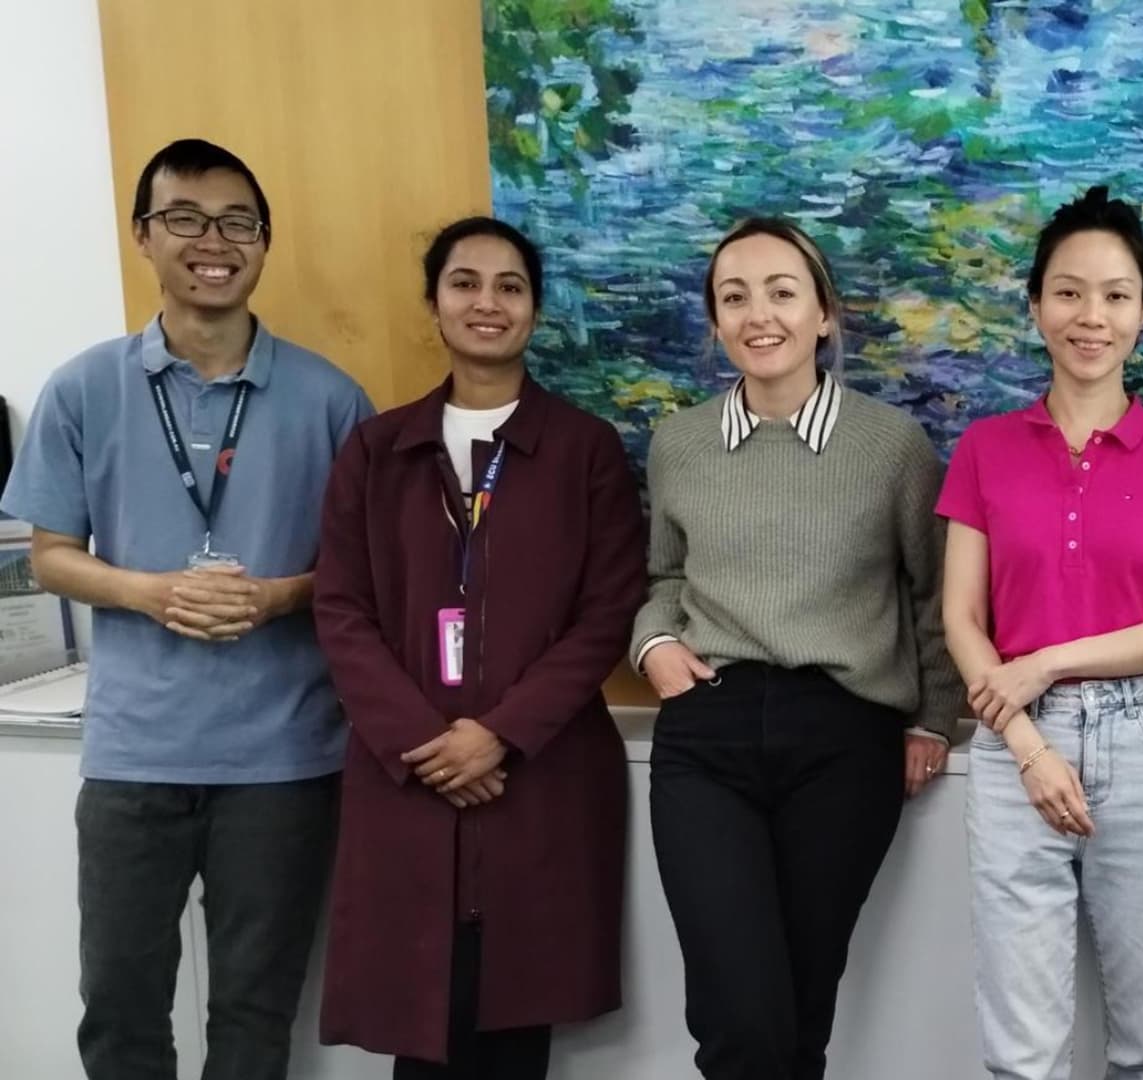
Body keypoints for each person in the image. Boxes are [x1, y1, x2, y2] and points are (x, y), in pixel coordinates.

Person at [0, 137, 373, 1079]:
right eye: (186, 220)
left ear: (263, 242)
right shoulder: (84, 388)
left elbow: (366, 575)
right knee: (120, 1010)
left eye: (238, 222)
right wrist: (154, 593)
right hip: (133, 753)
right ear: (144, 236)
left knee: (255, 1014)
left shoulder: (331, 398)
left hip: (283, 759)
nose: (215, 242)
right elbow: (49, 559)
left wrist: (276, 597)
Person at [629, 216, 963, 1079]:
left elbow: (933, 595)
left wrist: (932, 718)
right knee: (739, 1020)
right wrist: (654, 641)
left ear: (824, 314)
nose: (758, 315)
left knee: (799, 1017)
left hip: (843, 742)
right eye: (733, 298)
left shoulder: (891, 446)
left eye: (782, 292)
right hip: (707, 734)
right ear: (713, 322)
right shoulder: (680, 444)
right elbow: (662, 576)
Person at [312, 216, 646, 1078]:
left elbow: (606, 615)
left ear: (534, 310)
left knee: (513, 1020)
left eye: (510, 286)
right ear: (434, 303)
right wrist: (429, 744)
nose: (486, 302)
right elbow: (341, 609)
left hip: (539, 775)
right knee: (419, 1017)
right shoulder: (377, 449)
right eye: (465, 283)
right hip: (407, 777)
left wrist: (497, 733)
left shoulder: (586, 451)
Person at [940, 185, 1143, 1080]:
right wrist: (1028, 744)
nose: (1091, 317)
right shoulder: (985, 449)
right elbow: (960, 615)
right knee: (1022, 1054)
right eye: (1068, 293)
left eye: (1115, 295)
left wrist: (1047, 663)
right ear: (1036, 308)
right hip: (1010, 747)